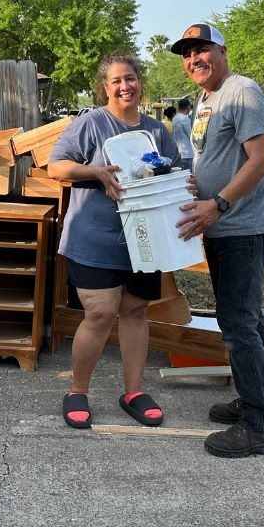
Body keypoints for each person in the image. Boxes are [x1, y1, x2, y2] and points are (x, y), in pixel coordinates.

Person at [47, 51, 181, 430]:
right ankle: (78, 390)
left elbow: (174, 170)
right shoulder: (90, 124)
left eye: (131, 79)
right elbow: (56, 166)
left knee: (136, 311)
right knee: (101, 312)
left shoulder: (157, 130)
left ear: (141, 83)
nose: (126, 86)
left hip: (143, 240)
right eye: (117, 81)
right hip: (94, 238)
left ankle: (133, 391)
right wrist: (95, 172)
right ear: (105, 87)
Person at [171, 23, 264, 458]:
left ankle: (259, 427)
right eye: (187, 53)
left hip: (243, 228)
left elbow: (259, 161)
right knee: (247, 322)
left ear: (222, 49)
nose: (194, 59)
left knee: (238, 326)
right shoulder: (207, 98)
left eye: (202, 49)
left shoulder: (242, 91)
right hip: (222, 225)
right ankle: (262, 402)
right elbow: (218, 154)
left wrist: (217, 202)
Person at [172, 96, 194, 171]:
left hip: (179, 152)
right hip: (188, 153)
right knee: (188, 177)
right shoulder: (185, 118)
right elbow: (191, 135)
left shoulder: (175, 118)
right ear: (188, 107)